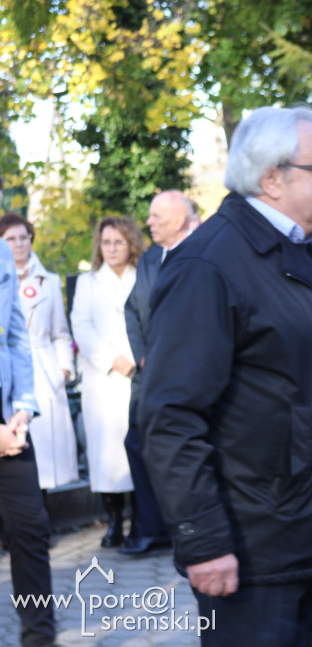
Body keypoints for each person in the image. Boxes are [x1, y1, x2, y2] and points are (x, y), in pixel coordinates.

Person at [139, 105, 312, 646]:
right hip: (254, 560)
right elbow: (171, 415)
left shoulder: (305, 250)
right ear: (272, 178)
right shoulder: (211, 264)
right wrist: (202, 541)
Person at [119, 190, 194, 556]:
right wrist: (144, 355)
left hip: (190, 375)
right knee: (136, 444)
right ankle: (152, 529)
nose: (148, 223)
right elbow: (132, 310)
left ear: (179, 220)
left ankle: (189, 530)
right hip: (149, 376)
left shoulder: (204, 254)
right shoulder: (150, 259)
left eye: (156, 217)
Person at [70, 216, 144, 547]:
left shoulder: (142, 276)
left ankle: (141, 522)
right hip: (105, 378)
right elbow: (80, 325)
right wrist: (112, 360)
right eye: (106, 242)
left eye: (119, 242)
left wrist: (140, 359)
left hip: (138, 376)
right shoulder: (89, 282)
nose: (112, 248)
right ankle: (114, 523)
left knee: (137, 454)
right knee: (106, 457)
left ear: (131, 244)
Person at [0, 233, 54, 647]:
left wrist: (22, 407)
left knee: (31, 528)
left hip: (10, 424)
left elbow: (16, 335)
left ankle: (39, 634)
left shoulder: (1, 251)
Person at [0, 214, 77, 491]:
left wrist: (64, 369)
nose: (19, 244)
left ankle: (42, 520)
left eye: (24, 237)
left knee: (44, 456)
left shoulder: (50, 281)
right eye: (11, 239)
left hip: (44, 371)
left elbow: (61, 332)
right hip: (11, 373)